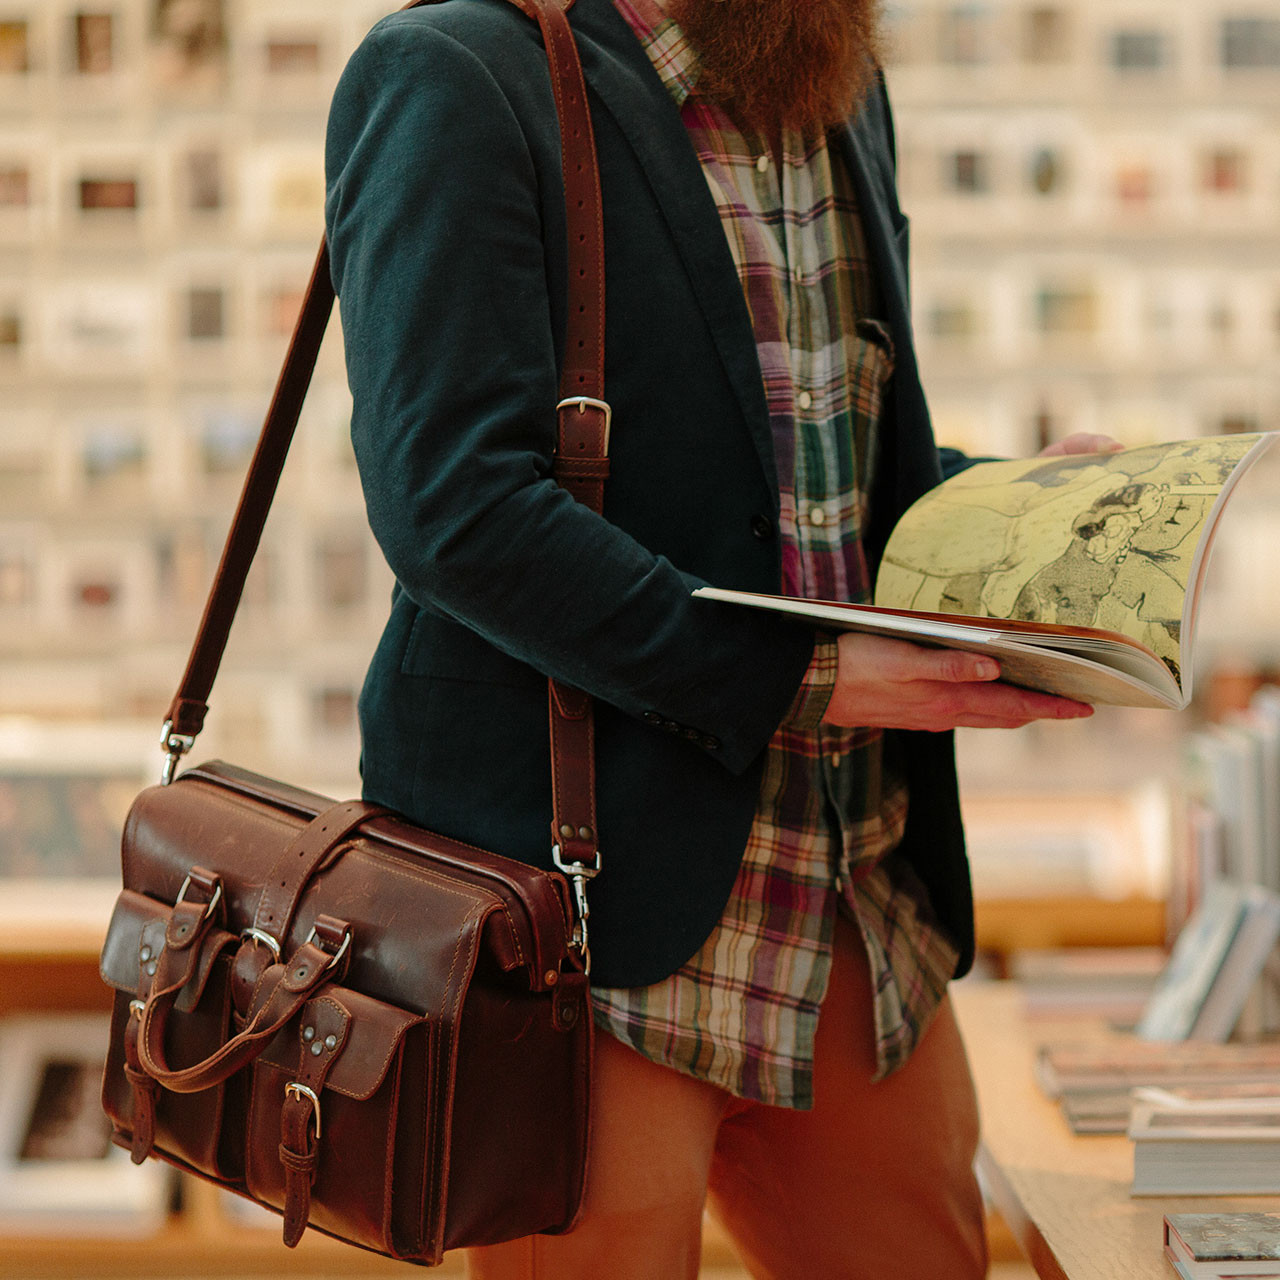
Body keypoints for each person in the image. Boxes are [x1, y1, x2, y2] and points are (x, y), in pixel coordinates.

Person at [324, 1, 1113, 1275]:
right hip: (582, 925)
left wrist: (1024, 517)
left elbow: (817, 485)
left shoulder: (838, 87)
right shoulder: (455, 73)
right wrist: (800, 674)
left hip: (854, 902)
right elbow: (455, 506)